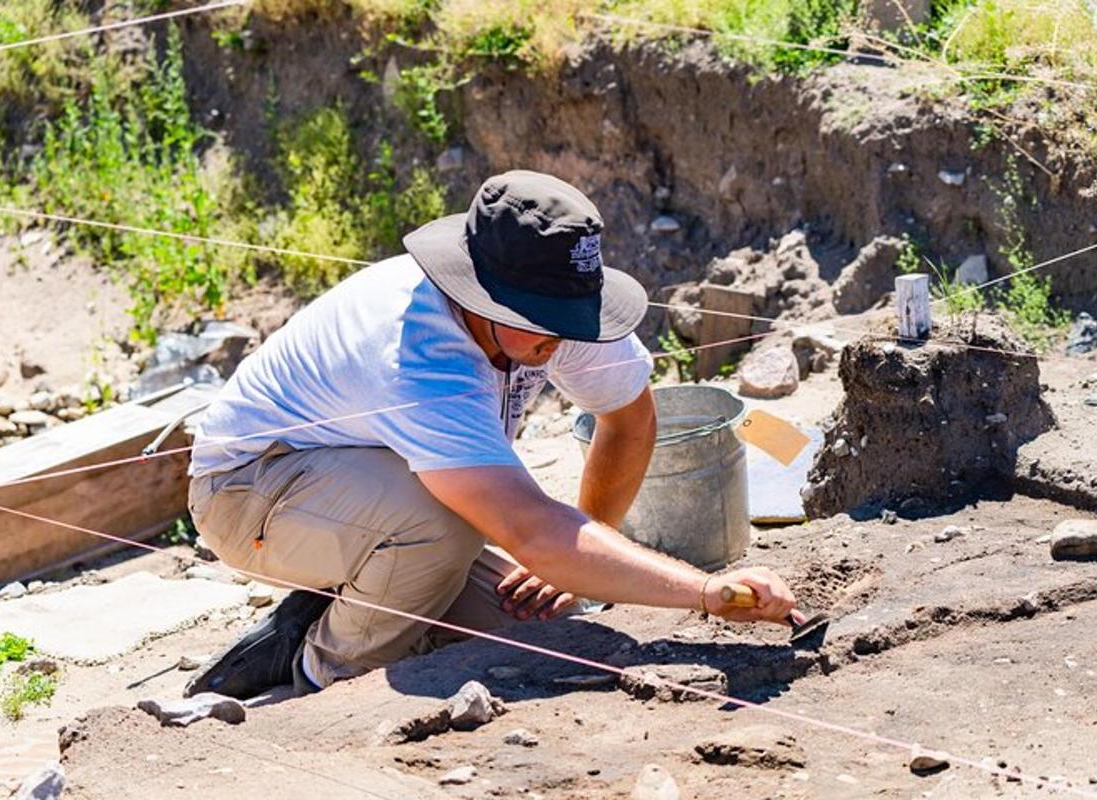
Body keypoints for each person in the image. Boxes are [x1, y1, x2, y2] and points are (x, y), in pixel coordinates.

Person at [184, 170, 803, 699]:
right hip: (249, 489)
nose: (559, 340)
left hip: (380, 485)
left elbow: (629, 418)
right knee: (441, 531)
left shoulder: (557, 311)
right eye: (544, 325)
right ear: (481, 298)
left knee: (540, 627)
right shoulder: (418, 356)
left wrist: (577, 555)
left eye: (570, 320)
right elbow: (532, 528)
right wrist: (705, 591)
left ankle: (343, 602)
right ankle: (320, 670)